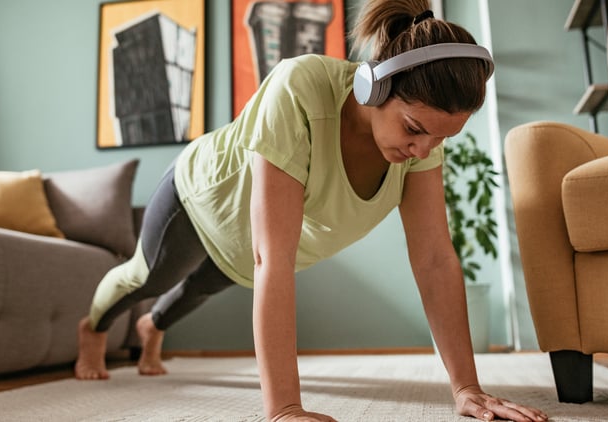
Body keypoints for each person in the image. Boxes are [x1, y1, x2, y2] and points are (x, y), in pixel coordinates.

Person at [75, 1, 548, 421]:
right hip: (202, 200)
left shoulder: (421, 145)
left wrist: (467, 387)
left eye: (441, 139)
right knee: (148, 277)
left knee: (197, 291)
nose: (424, 151)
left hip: (246, 249)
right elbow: (272, 258)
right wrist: (283, 409)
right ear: (372, 86)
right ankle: (92, 329)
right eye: (414, 128)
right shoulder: (299, 87)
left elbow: (434, 259)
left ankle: (150, 327)